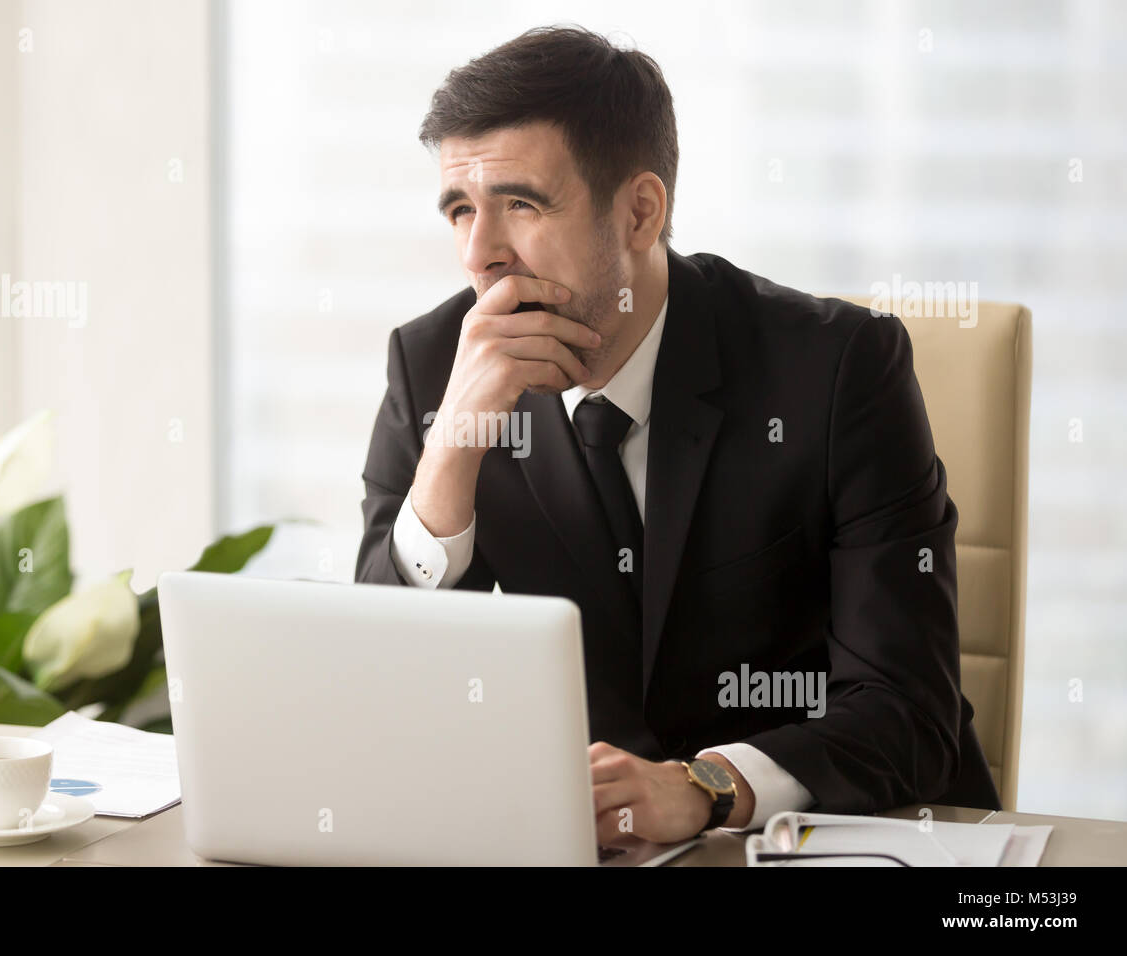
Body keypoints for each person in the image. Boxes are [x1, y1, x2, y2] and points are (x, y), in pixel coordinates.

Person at [355, 25, 1000, 847]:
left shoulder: (838, 369)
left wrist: (706, 786)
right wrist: (450, 452)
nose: (481, 254)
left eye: (521, 203)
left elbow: (908, 708)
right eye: (459, 209)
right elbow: (373, 688)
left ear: (639, 211)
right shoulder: (432, 368)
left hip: (838, 838)